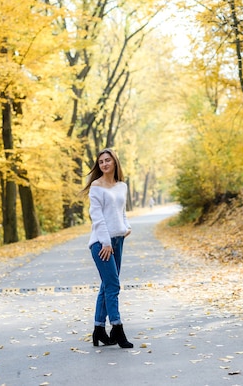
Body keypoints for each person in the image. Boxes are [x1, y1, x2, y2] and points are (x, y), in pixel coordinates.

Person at [80, 148, 133, 348]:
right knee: (113, 286)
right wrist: (106, 243)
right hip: (102, 244)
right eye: (101, 161)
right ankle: (117, 329)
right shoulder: (96, 186)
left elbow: (122, 211)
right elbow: (98, 217)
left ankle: (99, 330)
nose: (104, 164)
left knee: (106, 285)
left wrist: (126, 227)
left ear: (114, 162)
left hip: (118, 241)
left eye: (107, 160)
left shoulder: (122, 186)